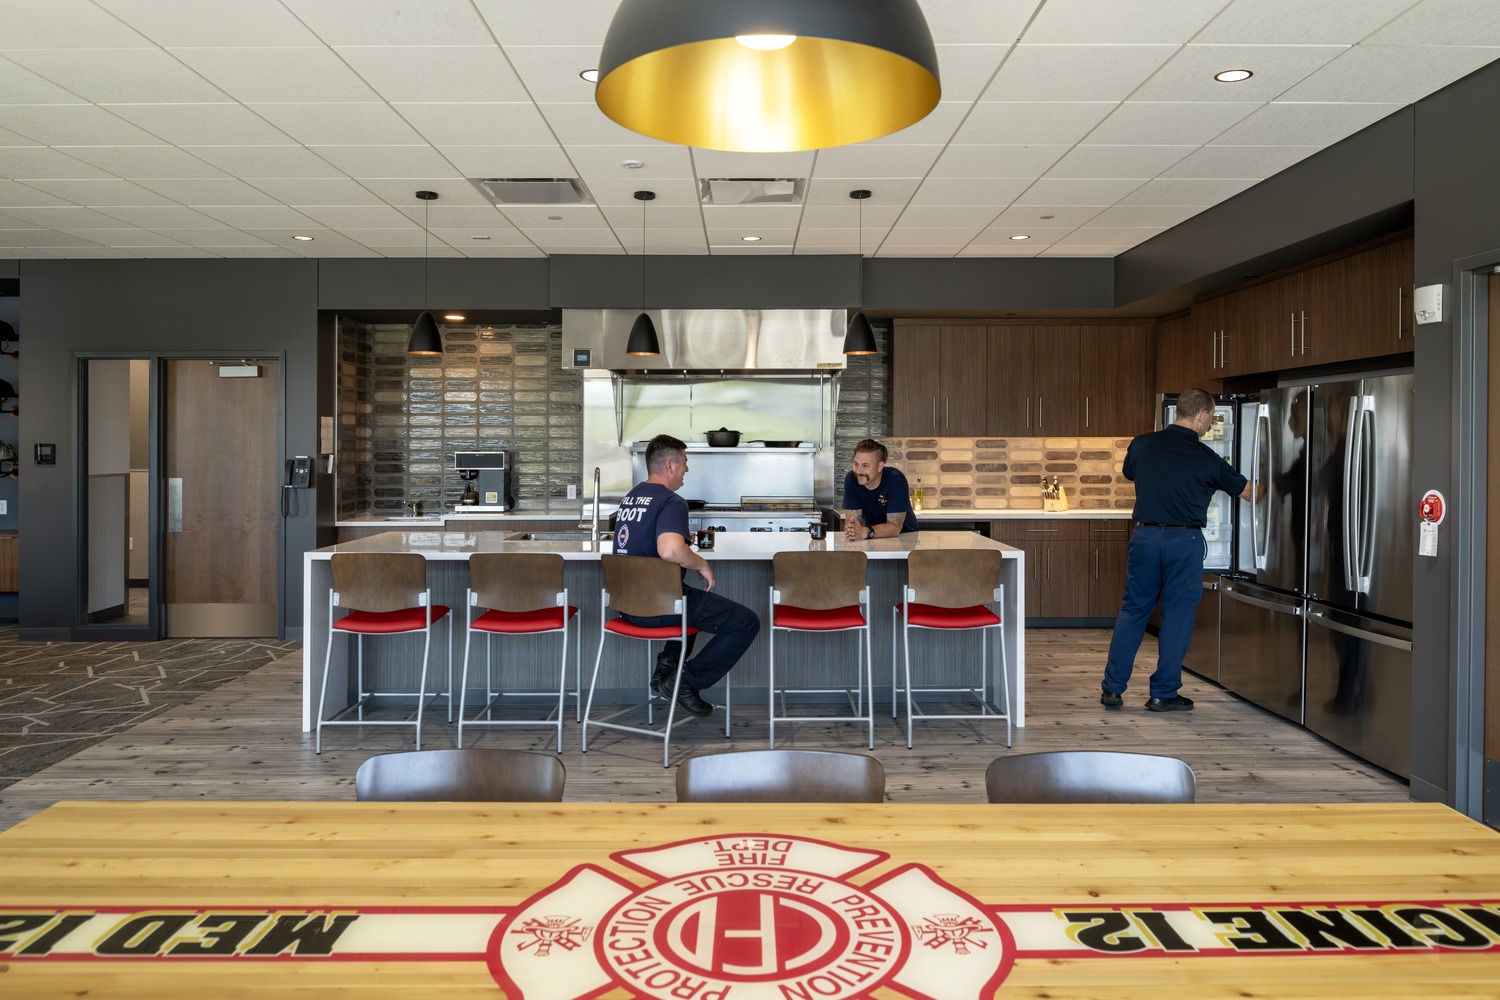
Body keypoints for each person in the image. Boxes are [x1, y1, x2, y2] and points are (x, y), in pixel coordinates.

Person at [1101, 389, 1252, 712]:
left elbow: (1130, 472)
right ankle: (1163, 693)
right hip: (1183, 543)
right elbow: (1248, 491)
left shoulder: (1142, 444)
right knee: (1177, 617)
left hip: (1145, 537)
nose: (1210, 424)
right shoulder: (1206, 457)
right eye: (1211, 418)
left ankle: (1112, 690)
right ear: (1201, 416)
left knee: (1133, 612)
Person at [613, 433, 760, 718]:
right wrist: (700, 563)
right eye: (684, 463)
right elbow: (668, 550)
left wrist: (682, 543)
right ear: (669, 465)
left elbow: (647, 541)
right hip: (660, 606)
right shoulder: (672, 501)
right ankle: (685, 682)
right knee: (745, 622)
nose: (687, 470)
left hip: (628, 605)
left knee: (688, 603)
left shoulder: (631, 498)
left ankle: (665, 669)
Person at [842, 438, 920, 541]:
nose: (858, 471)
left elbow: (895, 527)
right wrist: (852, 529)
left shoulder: (895, 479)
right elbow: (852, 523)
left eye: (865, 465)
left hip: (904, 538)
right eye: (856, 464)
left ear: (880, 466)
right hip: (873, 537)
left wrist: (865, 532)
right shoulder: (852, 479)